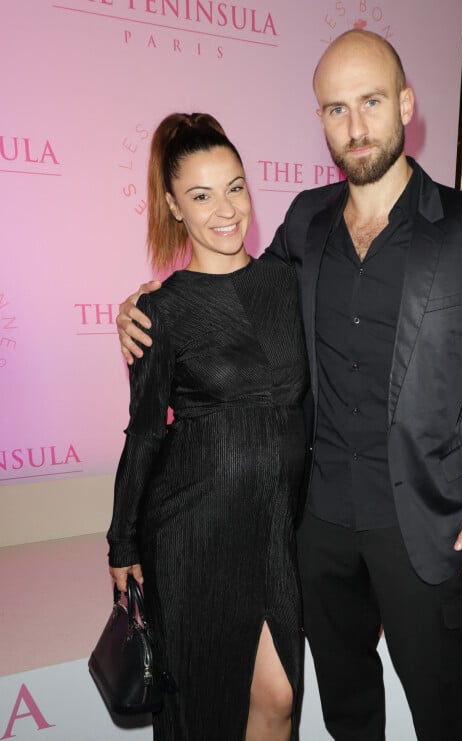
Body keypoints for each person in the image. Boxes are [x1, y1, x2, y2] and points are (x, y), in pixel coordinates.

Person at [116, 31, 462, 741]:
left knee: (443, 708)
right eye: (335, 109)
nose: (356, 125)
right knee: (345, 706)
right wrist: (146, 302)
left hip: (426, 522)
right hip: (316, 527)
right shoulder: (305, 221)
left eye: (371, 102)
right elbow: (235, 289)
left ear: (405, 103)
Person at [107, 112, 309, 741]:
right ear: (173, 206)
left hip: (276, 524)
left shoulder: (289, 282)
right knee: (203, 705)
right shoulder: (159, 312)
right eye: (200, 195)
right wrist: (123, 541)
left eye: (235, 186)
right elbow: (143, 434)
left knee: (278, 698)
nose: (225, 209)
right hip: (193, 530)